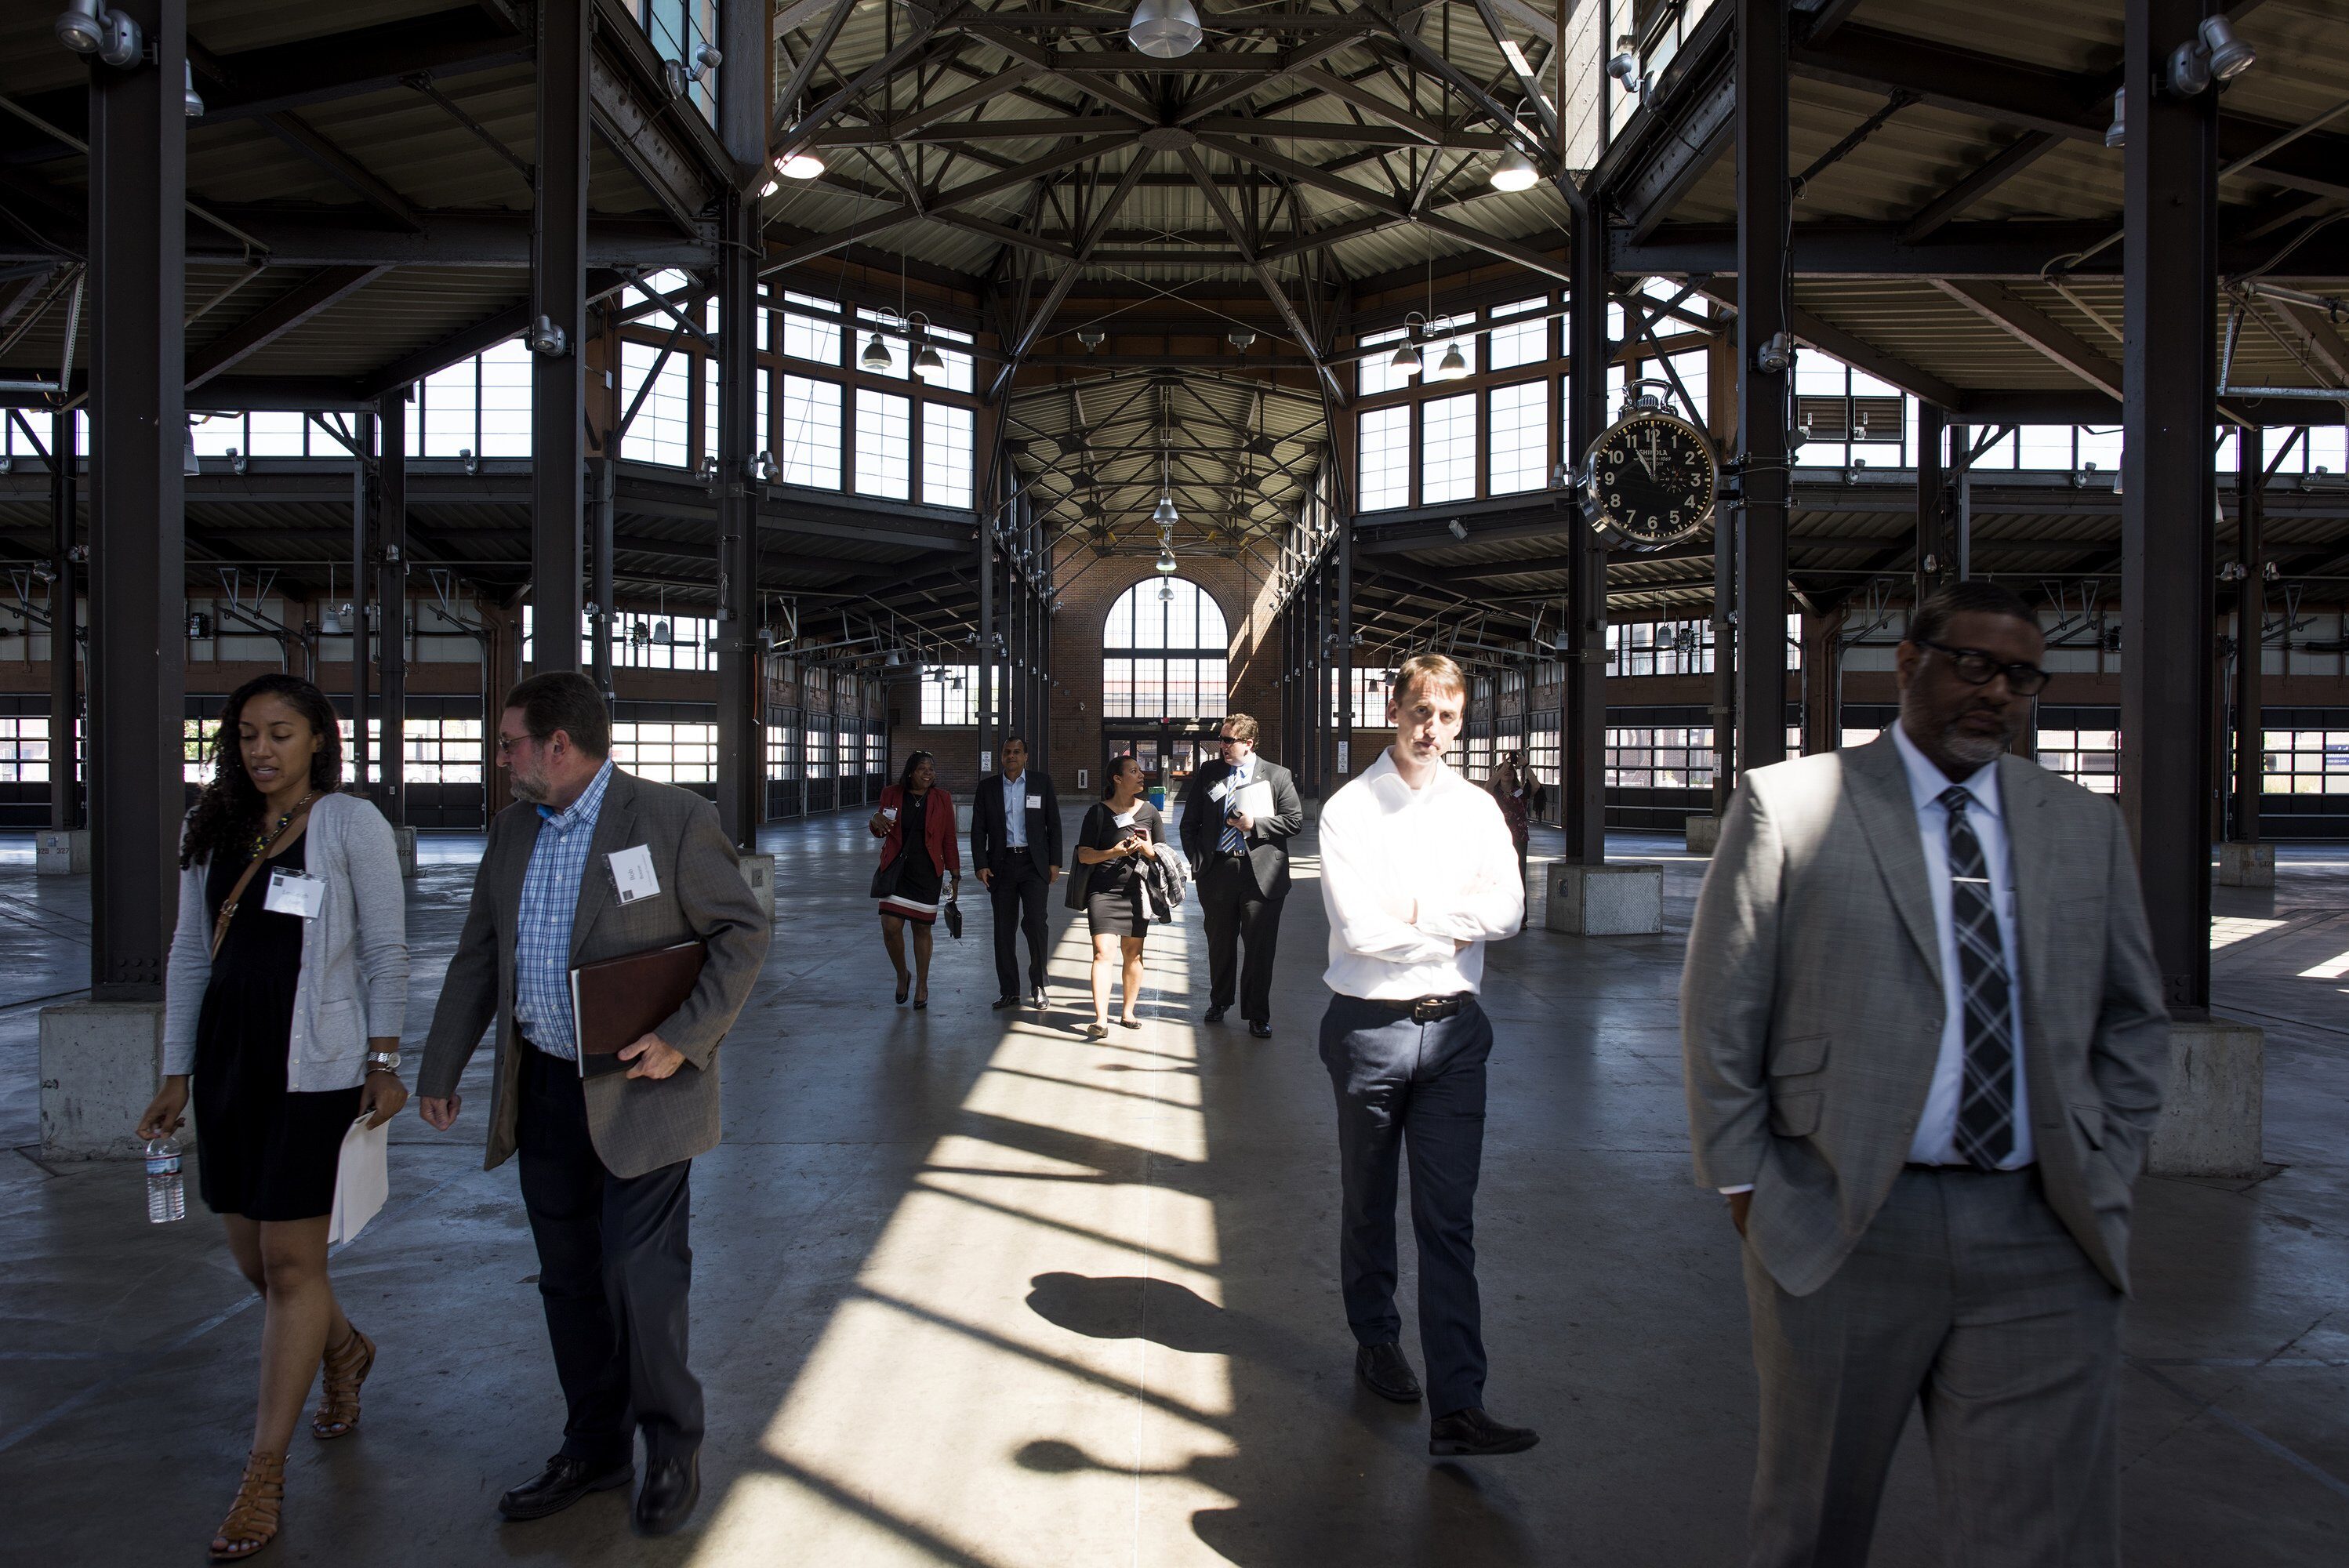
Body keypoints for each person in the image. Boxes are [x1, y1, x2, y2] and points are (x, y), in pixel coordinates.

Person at [1681, 580, 2169, 1567]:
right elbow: (1722, 1009)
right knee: (1811, 1525)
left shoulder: (2082, 826)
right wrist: (1745, 1187)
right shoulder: (1791, 804)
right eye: (1974, 664)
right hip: (1843, 1218)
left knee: (2043, 1537)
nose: (1996, 691)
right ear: (1908, 662)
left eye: (2020, 675)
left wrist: (2105, 1165)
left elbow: (2131, 1018)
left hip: (2044, 1230)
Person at [417, 672, 768, 1537]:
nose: (499, 758)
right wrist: (439, 1067)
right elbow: (476, 955)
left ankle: (672, 1443)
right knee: (569, 1277)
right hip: (542, 1083)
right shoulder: (508, 832)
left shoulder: (670, 818)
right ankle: (594, 1445)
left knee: (637, 1274)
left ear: (558, 746)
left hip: (642, 1086)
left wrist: (688, 1034)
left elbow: (741, 930)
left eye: (509, 743)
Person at [137, 673, 409, 1562]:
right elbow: (188, 950)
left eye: (281, 733)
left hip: (316, 1069)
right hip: (227, 1065)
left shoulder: (348, 823)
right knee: (257, 1262)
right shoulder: (207, 824)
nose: (261, 749)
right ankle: (347, 1346)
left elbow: (384, 945)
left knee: (294, 1261)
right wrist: (174, 1070)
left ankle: (262, 1475)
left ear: (320, 739)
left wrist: (383, 1058)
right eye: (248, 734)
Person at [1314, 652, 1536, 1457]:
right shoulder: (1348, 809)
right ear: (1393, 708)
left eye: (1445, 715)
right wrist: (1452, 919)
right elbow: (1358, 928)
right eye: (1418, 711)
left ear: (1460, 718)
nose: (1430, 728)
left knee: (1448, 1218)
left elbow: (1509, 909)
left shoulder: (1476, 808)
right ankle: (1375, 1337)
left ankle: (1459, 1404)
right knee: (1368, 1199)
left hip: (1455, 1035)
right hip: (1366, 1031)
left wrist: (1414, 910)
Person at [1176, 712, 1302, 1039]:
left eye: (1228, 740)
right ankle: (1219, 1001)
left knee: (1260, 948)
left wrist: (1255, 825)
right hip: (1217, 871)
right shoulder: (1209, 773)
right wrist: (1198, 862)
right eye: (1221, 739)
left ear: (1248, 743)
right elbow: (1189, 824)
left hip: (1261, 874)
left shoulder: (1276, 776)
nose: (1222, 745)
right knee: (1220, 943)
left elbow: (1294, 821)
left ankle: (1257, 1015)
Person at [1069, 754, 1164, 1040]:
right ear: (1118, 779)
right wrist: (1116, 852)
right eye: (1134, 771)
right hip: (1103, 892)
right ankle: (1101, 1019)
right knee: (1102, 953)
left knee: (1133, 955)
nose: (1141, 775)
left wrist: (1146, 849)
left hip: (1136, 892)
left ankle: (1128, 1012)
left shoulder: (1150, 811)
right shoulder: (1097, 813)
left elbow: (1161, 853)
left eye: (1140, 770)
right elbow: (1084, 855)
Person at [970, 735, 1062, 1011]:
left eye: (1017, 752)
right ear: (1001, 757)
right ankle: (1009, 990)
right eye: (1007, 752)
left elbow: (1053, 825)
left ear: (1025, 757)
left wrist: (1055, 862)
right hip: (1001, 866)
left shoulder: (1040, 783)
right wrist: (980, 864)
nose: (1012, 756)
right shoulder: (987, 788)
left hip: (1034, 865)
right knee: (1003, 930)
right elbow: (978, 830)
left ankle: (1039, 986)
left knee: (1036, 924)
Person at [868, 750, 960, 1009]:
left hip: (927, 873)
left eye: (931, 768)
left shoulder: (942, 799)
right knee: (890, 927)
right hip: (896, 871)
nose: (928, 772)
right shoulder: (892, 793)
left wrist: (955, 875)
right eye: (922, 768)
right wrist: (874, 820)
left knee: (922, 929)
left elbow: (949, 840)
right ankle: (902, 974)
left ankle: (922, 983)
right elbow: (879, 829)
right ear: (910, 771)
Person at [1487, 756, 1530, 887]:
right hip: (1498, 837)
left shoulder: (1520, 791)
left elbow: (1536, 786)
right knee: (1498, 873)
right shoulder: (1494, 792)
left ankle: (1520, 906)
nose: (1508, 771)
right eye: (1505, 769)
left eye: (1511, 769)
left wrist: (1526, 765)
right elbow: (1488, 785)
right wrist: (1503, 767)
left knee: (1519, 873)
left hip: (1519, 836)